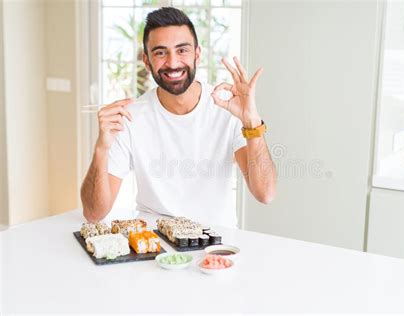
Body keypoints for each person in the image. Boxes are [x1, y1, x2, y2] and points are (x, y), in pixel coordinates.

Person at [81, 7, 276, 227]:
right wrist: (101, 148)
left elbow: (265, 193)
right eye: (161, 52)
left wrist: (251, 120)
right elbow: (93, 214)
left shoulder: (227, 108)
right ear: (147, 61)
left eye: (182, 50)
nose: (173, 63)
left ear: (197, 54)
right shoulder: (130, 117)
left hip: (215, 246)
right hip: (154, 244)